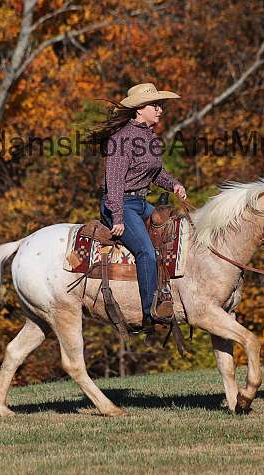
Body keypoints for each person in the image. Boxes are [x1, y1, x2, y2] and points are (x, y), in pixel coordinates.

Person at [87, 83, 187, 334]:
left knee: (175, 232)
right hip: (119, 204)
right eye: (155, 105)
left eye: (160, 105)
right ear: (139, 110)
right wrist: (117, 217)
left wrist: (173, 184)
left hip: (140, 203)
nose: (160, 110)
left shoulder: (149, 138)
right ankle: (148, 313)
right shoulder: (121, 139)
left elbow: (155, 173)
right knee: (146, 252)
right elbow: (115, 181)